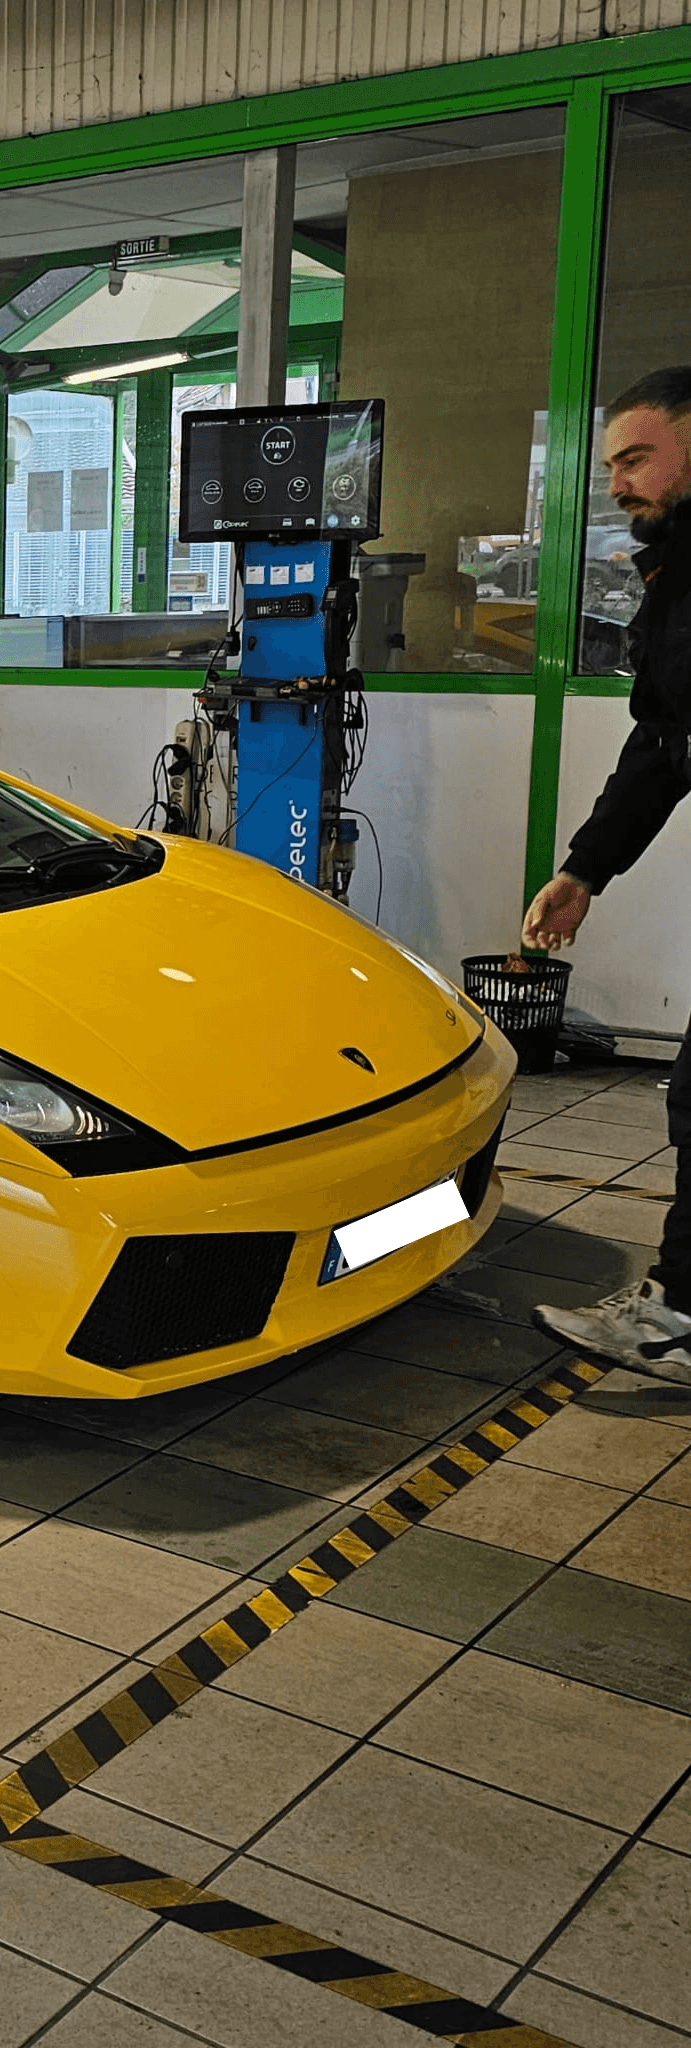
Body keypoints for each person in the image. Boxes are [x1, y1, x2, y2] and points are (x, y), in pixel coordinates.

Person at [524, 365, 691, 1382]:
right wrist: (585, 868)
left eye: (633, 457)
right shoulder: (673, 574)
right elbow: (663, 742)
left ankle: (676, 1315)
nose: (617, 482)